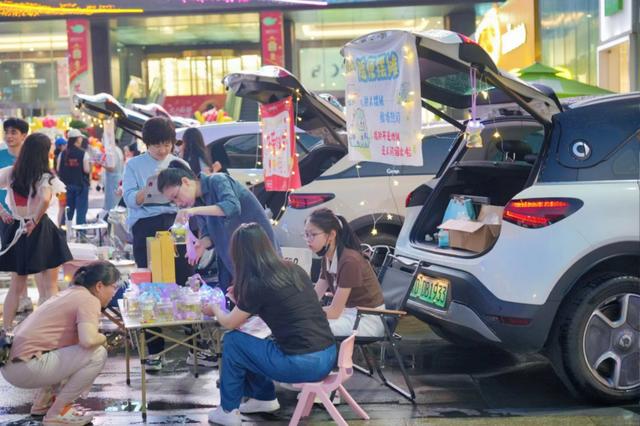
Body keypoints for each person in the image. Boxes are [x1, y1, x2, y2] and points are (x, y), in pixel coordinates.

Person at [204, 223, 336, 425]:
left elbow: (229, 322)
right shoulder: (293, 269)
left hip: (303, 364)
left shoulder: (258, 283)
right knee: (253, 341)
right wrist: (241, 298)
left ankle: (228, 410)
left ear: (240, 254)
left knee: (233, 341)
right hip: (328, 356)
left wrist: (214, 308)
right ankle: (263, 398)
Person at [1, 261, 120, 425]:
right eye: (114, 287)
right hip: (25, 367)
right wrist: (104, 337)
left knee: (72, 351)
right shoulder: (88, 300)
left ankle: (42, 406)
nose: (115, 292)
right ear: (99, 286)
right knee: (97, 353)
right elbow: (88, 340)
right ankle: (56, 414)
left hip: (13, 366)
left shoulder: (70, 293)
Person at [121, 116, 195, 370]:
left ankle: (195, 342)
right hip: (146, 224)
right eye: (156, 145)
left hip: (176, 223)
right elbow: (129, 198)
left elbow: (192, 195)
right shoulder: (134, 165)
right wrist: (146, 191)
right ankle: (154, 350)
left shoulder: (179, 162)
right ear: (146, 143)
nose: (162, 150)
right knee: (151, 285)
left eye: (166, 144)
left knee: (184, 278)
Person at [157, 161, 278, 292]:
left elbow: (231, 207)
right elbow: (209, 235)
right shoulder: (196, 203)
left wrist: (194, 211)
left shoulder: (218, 180)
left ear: (185, 181)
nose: (178, 203)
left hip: (259, 255)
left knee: (268, 296)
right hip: (235, 263)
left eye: (176, 196)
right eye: (173, 201)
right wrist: (202, 244)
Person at [0, 133, 72, 332]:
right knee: (50, 285)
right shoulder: (45, 176)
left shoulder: (11, 173)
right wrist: (35, 219)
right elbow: (46, 199)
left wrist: (2, 211)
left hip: (16, 227)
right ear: (43, 153)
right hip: (39, 229)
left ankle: (6, 330)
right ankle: (50, 330)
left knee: (16, 286)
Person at [304, 207, 385, 337]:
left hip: (367, 320)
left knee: (309, 329)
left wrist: (302, 313)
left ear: (331, 235)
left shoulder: (349, 261)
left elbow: (335, 312)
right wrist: (298, 309)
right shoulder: (328, 257)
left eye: (313, 234)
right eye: (306, 234)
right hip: (350, 314)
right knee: (302, 324)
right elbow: (314, 296)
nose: (308, 239)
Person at [0, 118, 35, 313]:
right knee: (15, 259)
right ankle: (21, 298)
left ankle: (26, 297)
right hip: (6, 215)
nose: (9, 136)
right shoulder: (1, 155)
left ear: (24, 135)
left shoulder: (31, 157)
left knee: (31, 256)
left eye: (14, 132)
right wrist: (1, 210)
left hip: (30, 216)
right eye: (7, 132)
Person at [57, 128, 90, 226]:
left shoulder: (62, 153)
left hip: (66, 186)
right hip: (80, 186)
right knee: (81, 212)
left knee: (67, 212)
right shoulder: (83, 153)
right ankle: (81, 236)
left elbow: (58, 169)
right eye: (80, 137)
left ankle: (63, 234)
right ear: (78, 139)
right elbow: (86, 170)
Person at [102, 143, 124, 212]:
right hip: (118, 177)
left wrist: (101, 163)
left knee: (112, 203)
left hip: (112, 179)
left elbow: (111, 168)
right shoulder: (118, 150)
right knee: (116, 202)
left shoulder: (111, 152)